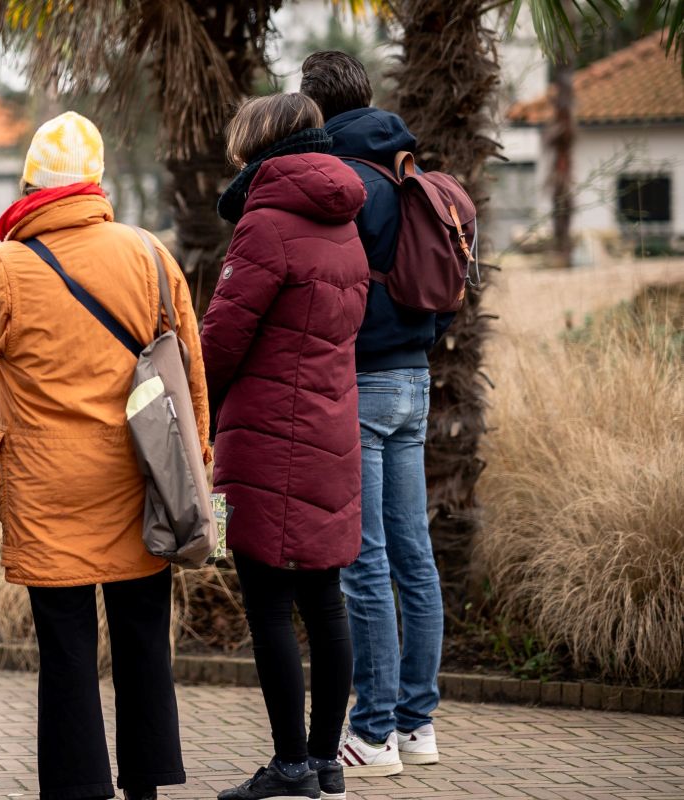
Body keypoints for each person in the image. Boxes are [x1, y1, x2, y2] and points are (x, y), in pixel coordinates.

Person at [0, 111, 211, 800]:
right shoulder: (149, 255)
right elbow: (188, 374)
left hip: (47, 483)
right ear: (94, 182)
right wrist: (201, 467)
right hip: (141, 476)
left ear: (29, 181)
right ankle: (145, 784)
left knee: (66, 651)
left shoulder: (0, 266)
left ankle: (77, 790)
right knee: (142, 639)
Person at [199, 93, 369, 800]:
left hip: (270, 435)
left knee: (267, 602)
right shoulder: (343, 221)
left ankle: (290, 764)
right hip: (329, 429)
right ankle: (325, 758)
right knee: (324, 600)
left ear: (260, 142)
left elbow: (222, 341)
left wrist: (188, 402)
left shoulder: (264, 224)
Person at [301, 50, 448, 777]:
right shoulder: (408, 166)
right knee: (412, 554)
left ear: (313, 108)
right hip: (415, 377)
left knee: (364, 563)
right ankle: (418, 726)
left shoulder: (344, 183)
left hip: (359, 380)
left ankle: (375, 731)